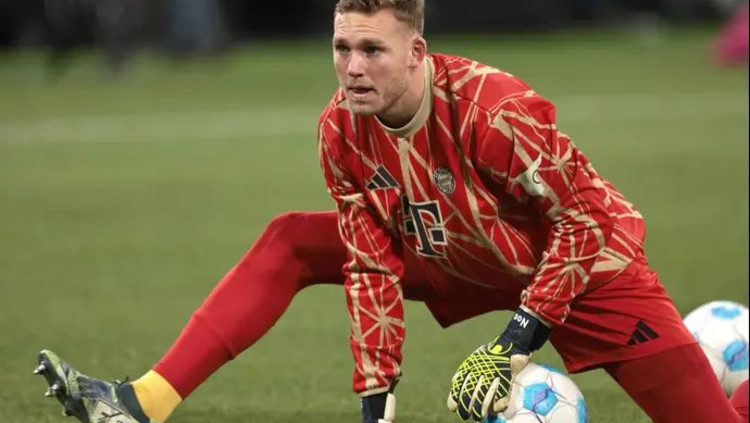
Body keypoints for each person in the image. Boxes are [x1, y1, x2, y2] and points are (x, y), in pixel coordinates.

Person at [34, 1, 749, 422]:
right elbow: (371, 268)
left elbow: (586, 223)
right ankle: (142, 403)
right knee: (293, 238)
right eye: (341, 47)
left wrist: (514, 341)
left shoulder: (495, 111)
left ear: (417, 52)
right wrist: (376, 407)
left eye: (372, 49)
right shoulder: (340, 130)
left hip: (581, 268)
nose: (352, 67)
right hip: (452, 253)